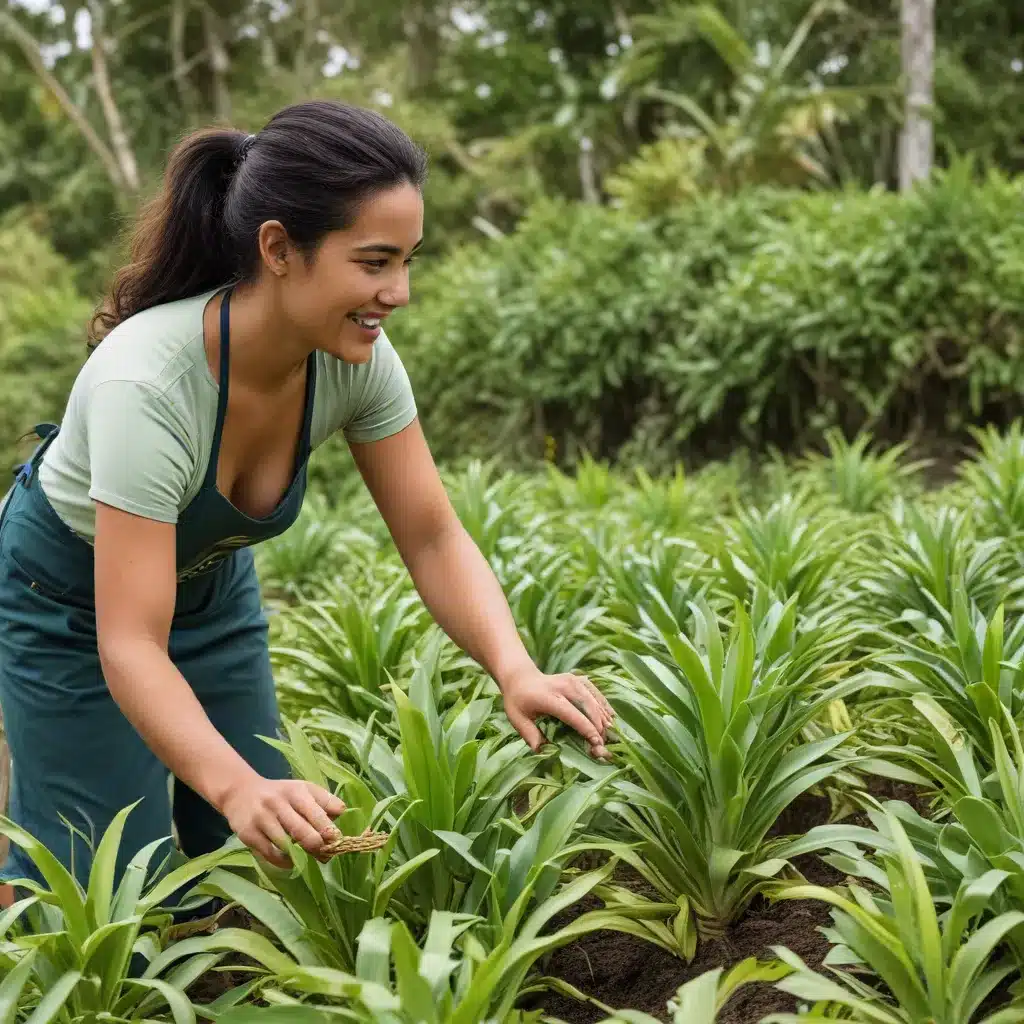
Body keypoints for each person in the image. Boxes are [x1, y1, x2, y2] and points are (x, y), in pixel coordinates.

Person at [0, 100, 613, 905]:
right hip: (72, 607)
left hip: (209, 593)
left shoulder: (356, 358)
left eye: (408, 261)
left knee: (277, 861)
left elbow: (430, 534)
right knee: (108, 890)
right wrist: (232, 786)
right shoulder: (145, 386)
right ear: (279, 249)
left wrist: (514, 667)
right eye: (373, 262)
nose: (398, 292)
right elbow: (131, 644)